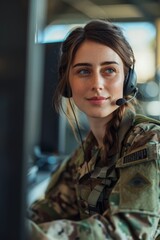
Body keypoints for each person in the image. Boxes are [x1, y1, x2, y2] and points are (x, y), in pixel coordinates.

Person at [28, 19, 160, 239]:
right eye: (83, 71)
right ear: (67, 83)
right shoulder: (85, 153)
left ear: (128, 80)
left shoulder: (148, 141)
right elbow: (47, 211)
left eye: (109, 70)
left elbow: (127, 231)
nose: (97, 83)